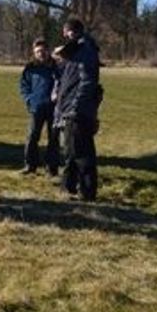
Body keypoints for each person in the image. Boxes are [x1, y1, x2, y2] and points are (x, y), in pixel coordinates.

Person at [53, 18, 101, 201]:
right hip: (73, 109)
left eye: (67, 33)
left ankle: (87, 191)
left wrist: (75, 107)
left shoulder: (84, 51)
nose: (66, 36)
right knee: (71, 151)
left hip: (77, 111)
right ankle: (68, 186)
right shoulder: (78, 51)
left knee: (82, 153)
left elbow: (86, 82)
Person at [19, 38, 60, 176]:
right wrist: (29, 99)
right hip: (36, 107)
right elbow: (24, 86)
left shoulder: (57, 67)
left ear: (48, 51)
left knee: (53, 139)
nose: (40, 54)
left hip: (54, 109)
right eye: (37, 52)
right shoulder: (30, 68)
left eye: (43, 51)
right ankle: (30, 165)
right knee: (32, 137)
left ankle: (51, 168)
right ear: (34, 53)